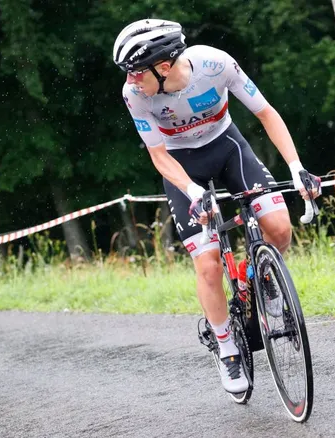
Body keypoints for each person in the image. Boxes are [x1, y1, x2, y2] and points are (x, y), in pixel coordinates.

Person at [113, 19, 320, 394]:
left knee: (279, 228)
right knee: (208, 265)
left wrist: (296, 167)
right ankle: (226, 347)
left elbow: (266, 113)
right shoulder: (136, 95)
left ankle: (265, 283)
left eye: (134, 71)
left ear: (163, 67)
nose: (129, 80)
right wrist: (193, 193)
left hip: (228, 148)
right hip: (181, 166)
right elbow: (159, 156)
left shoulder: (215, 64)